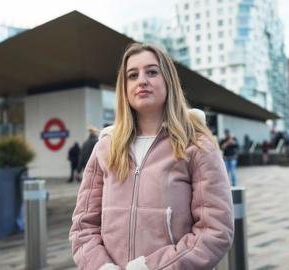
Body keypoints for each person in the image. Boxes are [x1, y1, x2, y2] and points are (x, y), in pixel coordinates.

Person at [69, 43, 234, 270]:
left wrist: (152, 268)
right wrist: (101, 267)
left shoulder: (197, 146)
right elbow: (83, 227)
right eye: (133, 75)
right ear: (124, 87)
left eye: (152, 72)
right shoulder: (105, 148)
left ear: (168, 81)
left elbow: (215, 230)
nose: (142, 80)